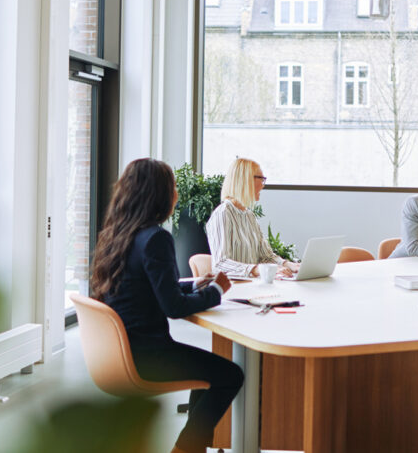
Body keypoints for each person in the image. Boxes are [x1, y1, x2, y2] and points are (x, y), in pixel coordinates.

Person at [92, 158, 243, 453]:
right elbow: (173, 307)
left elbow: (146, 287)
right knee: (231, 375)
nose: (176, 194)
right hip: (147, 356)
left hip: (119, 351)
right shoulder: (156, 238)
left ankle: (194, 447)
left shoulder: (116, 235)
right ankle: (186, 448)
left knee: (209, 374)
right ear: (159, 194)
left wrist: (193, 284)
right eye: (173, 187)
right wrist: (215, 290)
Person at [206, 157, 299, 278]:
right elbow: (220, 264)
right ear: (245, 180)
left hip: (253, 286)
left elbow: (265, 256)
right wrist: (256, 270)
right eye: (261, 179)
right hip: (234, 289)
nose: (263, 185)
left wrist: (289, 265)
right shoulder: (223, 214)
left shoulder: (249, 216)